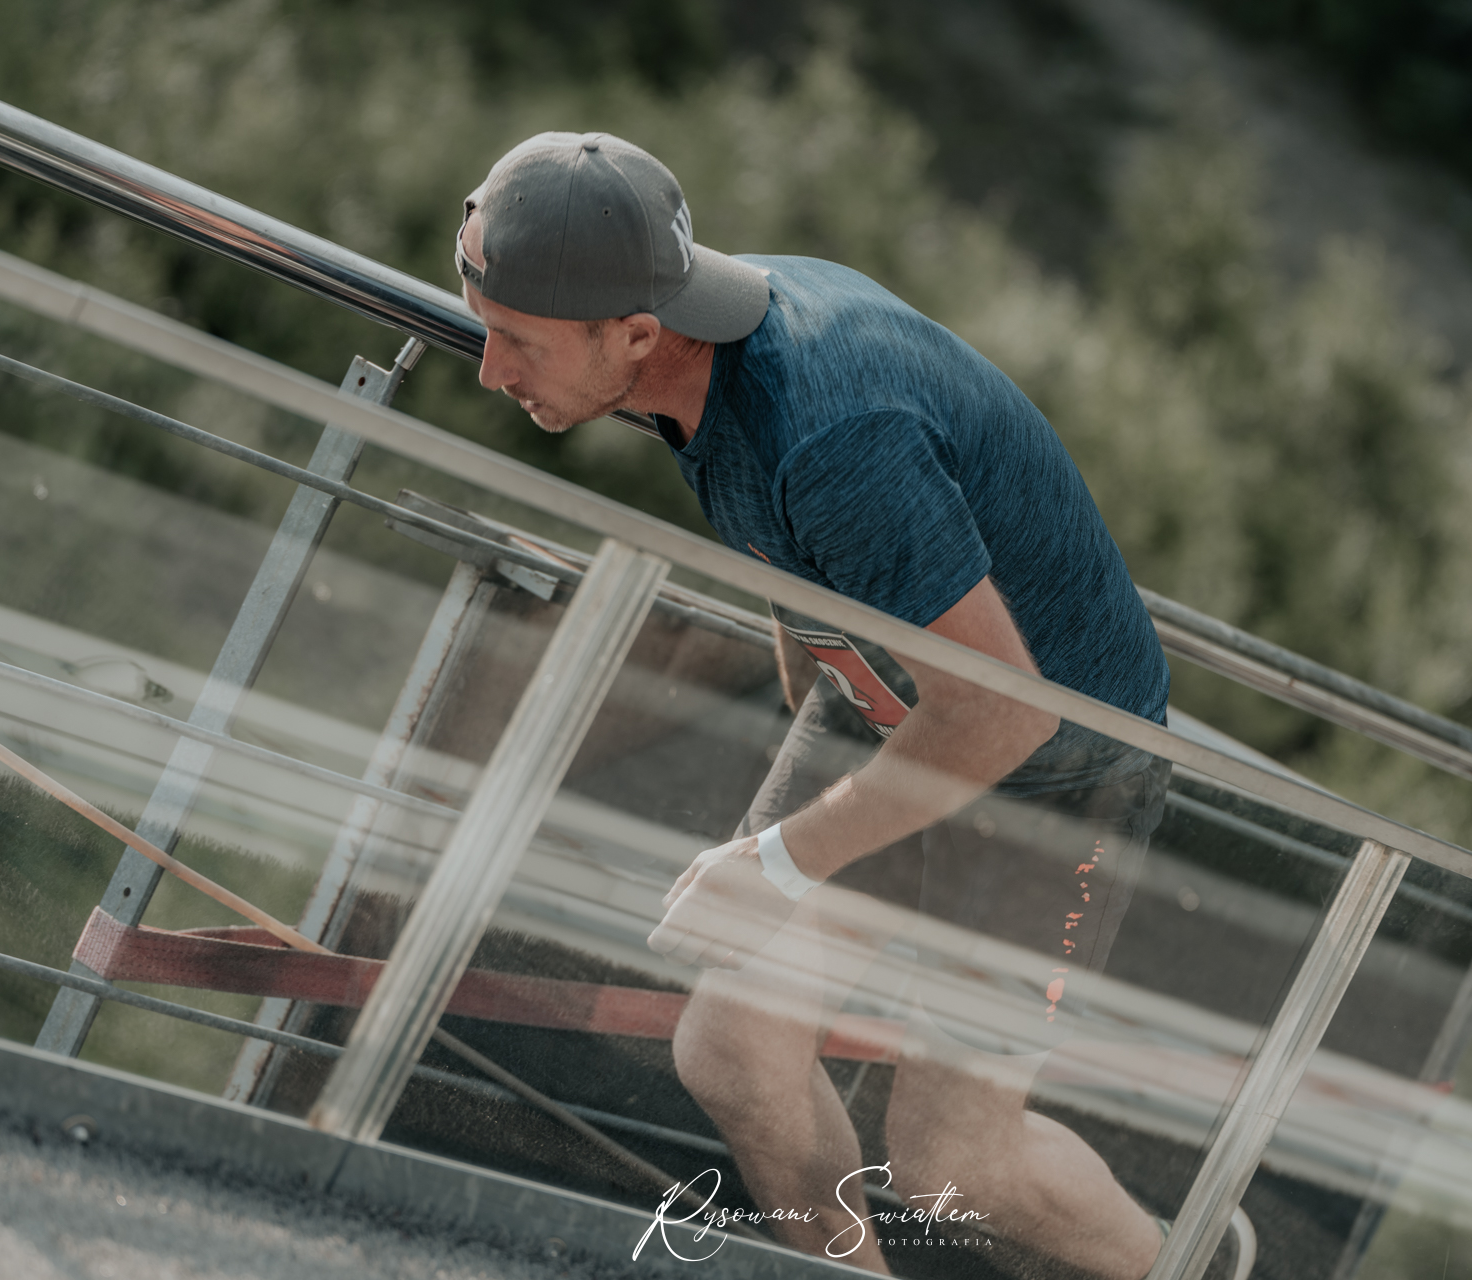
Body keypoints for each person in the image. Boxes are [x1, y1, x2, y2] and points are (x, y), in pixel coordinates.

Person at [454, 132, 1233, 1280]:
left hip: (1053, 774)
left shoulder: (833, 434)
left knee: (953, 1160)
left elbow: (1002, 713)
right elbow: (789, 528)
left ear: (637, 333)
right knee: (734, 1047)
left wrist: (780, 860)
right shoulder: (700, 347)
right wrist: (808, 670)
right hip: (896, 705)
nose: (488, 369)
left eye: (516, 340)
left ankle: (1195, 1267)